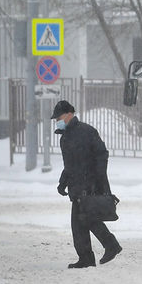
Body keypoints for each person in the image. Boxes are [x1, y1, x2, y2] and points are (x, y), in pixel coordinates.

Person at [52, 100, 122, 268]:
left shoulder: (87, 132)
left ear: (69, 114)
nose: (57, 121)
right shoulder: (66, 137)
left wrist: (98, 179)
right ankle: (88, 257)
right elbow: (70, 165)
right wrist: (63, 183)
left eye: (59, 117)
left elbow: (102, 154)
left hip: (88, 185)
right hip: (76, 186)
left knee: (87, 219)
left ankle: (109, 246)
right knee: (80, 223)